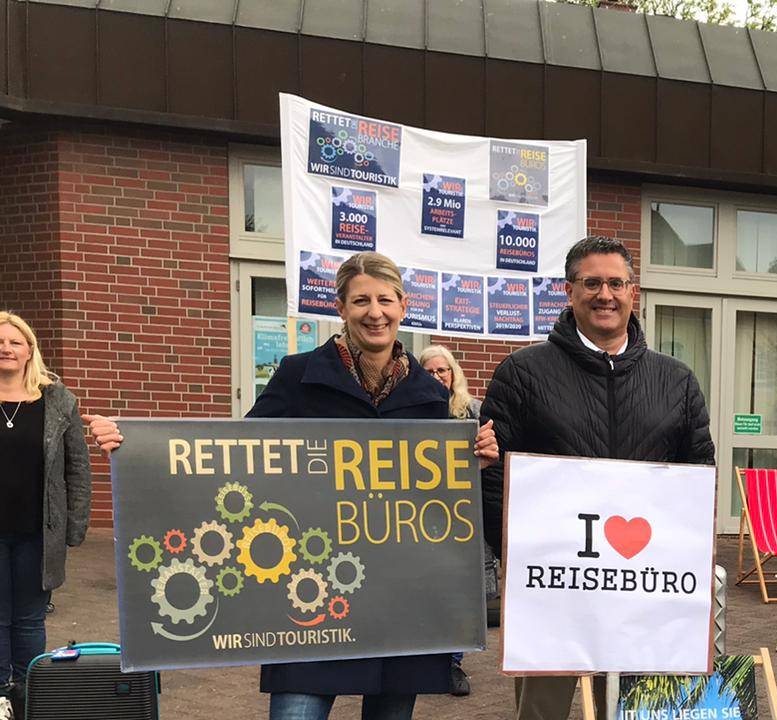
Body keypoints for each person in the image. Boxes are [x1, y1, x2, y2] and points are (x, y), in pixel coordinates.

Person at [86, 253, 499, 720]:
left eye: (385, 300)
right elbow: (234, 453)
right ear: (340, 307)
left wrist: (475, 461)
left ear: (403, 306)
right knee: (296, 711)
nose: (374, 312)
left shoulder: (430, 394)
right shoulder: (298, 375)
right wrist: (135, 447)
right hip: (313, 586)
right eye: (361, 300)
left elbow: (434, 490)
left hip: (396, 596)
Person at [480, 235, 715, 720]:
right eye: (591, 283)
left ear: (635, 292)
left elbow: (699, 474)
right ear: (569, 292)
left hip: (644, 581)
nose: (604, 294)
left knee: (634, 708)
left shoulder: (676, 380)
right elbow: (493, 475)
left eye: (616, 283)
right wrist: (521, 553)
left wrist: (679, 553)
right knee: (543, 711)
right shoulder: (523, 373)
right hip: (554, 581)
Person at [0, 313, 91, 712]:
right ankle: (1, 692)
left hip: (39, 529)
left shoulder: (58, 400)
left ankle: (27, 692)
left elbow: (77, 467)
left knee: (30, 619)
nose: (5, 348)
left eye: (14, 342)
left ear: (29, 350)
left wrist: (75, 526)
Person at [415, 344, 498, 697]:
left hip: (464, 519)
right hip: (419, 516)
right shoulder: (409, 412)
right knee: (425, 590)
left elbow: (495, 460)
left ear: (453, 374)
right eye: (429, 371)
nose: (437, 377)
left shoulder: (474, 412)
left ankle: (452, 664)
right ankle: (422, 661)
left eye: (442, 370)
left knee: (461, 594)